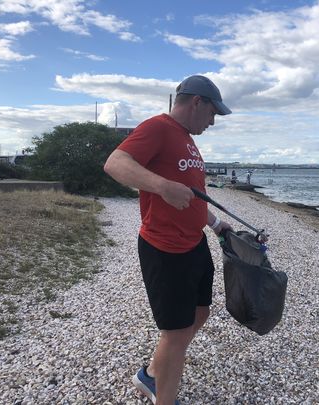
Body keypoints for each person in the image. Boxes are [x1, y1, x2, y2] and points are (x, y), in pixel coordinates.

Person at [104, 75, 233, 405]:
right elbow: (115, 163)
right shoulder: (158, 127)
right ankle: (163, 394)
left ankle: (149, 375)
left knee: (200, 312)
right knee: (175, 335)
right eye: (212, 113)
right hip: (165, 249)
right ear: (196, 103)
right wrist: (161, 186)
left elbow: (192, 196)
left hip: (195, 243)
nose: (213, 121)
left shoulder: (188, 139)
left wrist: (217, 224)